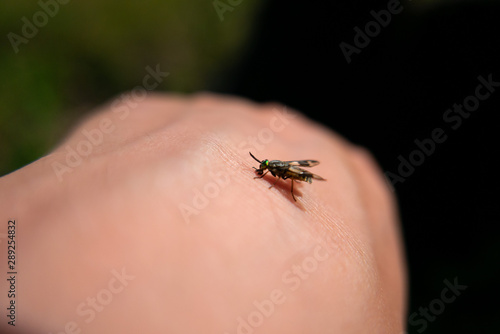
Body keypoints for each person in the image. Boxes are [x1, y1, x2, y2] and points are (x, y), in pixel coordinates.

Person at [0, 93, 407, 333]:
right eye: (263, 169)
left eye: (263, 169)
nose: (263, 172)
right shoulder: (270, 167)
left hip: (296, 172)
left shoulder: (278, 172)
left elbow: (284, 175)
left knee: (293, 179)